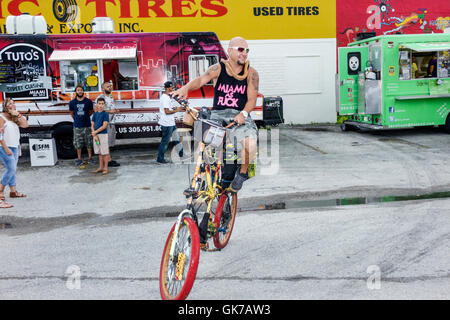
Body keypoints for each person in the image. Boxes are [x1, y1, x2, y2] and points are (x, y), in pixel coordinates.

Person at [172, 36, 258, 192]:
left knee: (250, 145)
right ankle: (199, 181)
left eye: (246, 50)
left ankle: (243, 173)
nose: (244, 53)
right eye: (240, 49)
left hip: (239, 115)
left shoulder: (252, 73)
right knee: (203, 145)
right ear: (230, 51)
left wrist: (243, 114)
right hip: (218, 114)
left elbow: (252, 100)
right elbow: (200, 80)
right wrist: (185, 88)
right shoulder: (218, 68)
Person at [0, 98, 29, 208]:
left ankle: (13, 191)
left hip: (15, 146)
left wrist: (18, 115)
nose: (12, 104)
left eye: (13, 103)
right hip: (4, 147)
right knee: (11, 169)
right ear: (5, 106)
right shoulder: (1, 116)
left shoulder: (14, 117)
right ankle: (0, 191)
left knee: (13, 169)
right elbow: (0, 135)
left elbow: (26, 125)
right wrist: (6, 148)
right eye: (9, 103)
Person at [157, 81, 184, 164]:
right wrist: (177, 110)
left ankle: (182, 156)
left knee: (177, 140)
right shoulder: (165, 98)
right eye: (172, 88)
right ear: (168, 88)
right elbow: (167, 112)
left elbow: (168, 109)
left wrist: (174, 108)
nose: (173, 89)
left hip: (171, 123)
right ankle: (160, 159)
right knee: (165, 142)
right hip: (167, 124)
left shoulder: (167, 97)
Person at [69, 85, 94, 168]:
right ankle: (79, 159)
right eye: (78, 90)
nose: (79, 91)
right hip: (77, 126)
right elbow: (72, 113)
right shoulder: (72, 102)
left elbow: (91, 111)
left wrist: (85, 117)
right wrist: (77, 119)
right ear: (76, 92)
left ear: (83, 91)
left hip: (87, 125)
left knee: (89, 142)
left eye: (81, 90)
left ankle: (90, 158)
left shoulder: (88, 101)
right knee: (78, 143)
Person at [95, 82, 120, 167]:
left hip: (111, 122)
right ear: (103, 88)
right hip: (105, 124)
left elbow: (110, 108)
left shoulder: (110, 97)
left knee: (108, 142)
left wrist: (115, 111)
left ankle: (108, 160)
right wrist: (110, 111)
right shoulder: (101, 98)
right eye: (107, 87)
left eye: (110, 86)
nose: (109, 88)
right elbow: (96, 110)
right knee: (105, 142)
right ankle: (108, 161)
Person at [91, 98, 110, 175]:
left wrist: (96, 132)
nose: (101, 105)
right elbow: (92, 125)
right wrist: (94, 134)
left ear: (104, 105)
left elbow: (104, 126)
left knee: (104, 152)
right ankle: (100, 167)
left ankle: (105, 168)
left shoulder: (105, 114)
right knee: (99, 152)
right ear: (97, 104)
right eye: (99, 103)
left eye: (102, 104)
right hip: (96, 136)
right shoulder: (95, 114)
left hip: (103, 135)